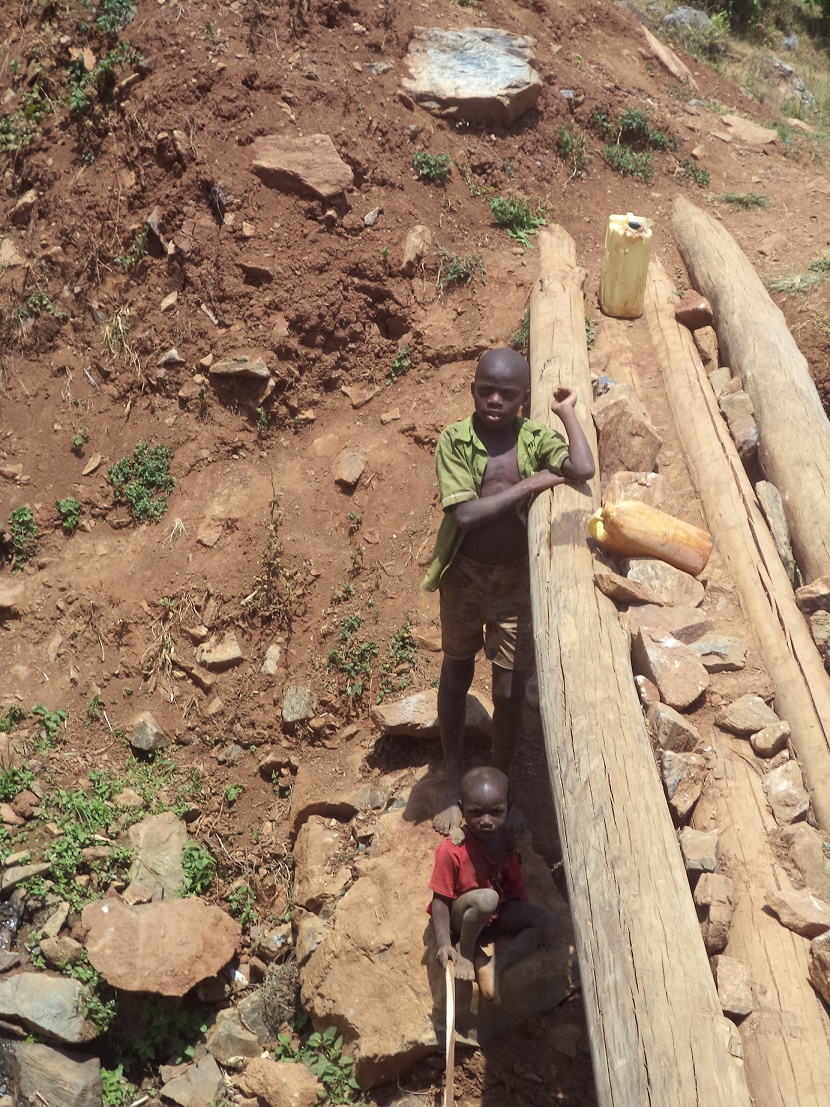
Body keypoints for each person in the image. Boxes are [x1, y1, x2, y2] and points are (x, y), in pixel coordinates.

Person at [421, 348, 594, 835]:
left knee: (510, 691)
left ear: (524, 399)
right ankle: (452, 775)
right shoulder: (455, 439)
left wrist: (566, 411)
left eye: (508, 394)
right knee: (457, 670)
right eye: (486, 391)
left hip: (516, 581)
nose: (495, 400)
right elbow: (466, 515)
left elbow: (582, 467)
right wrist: (532, 483)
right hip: (465, 575)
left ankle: (498, 785)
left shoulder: (533, 437)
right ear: (472, 389)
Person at [428, 766, 553, 1004]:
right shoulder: (452, 850)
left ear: (509, 807)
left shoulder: (505, 838)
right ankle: (466, 951)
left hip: (495, 911)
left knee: (546, 921)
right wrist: (444, 944)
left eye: (496, 812)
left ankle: (495, 964)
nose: (486, 821)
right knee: (487, 899)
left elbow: (513, 876)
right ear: (462, 808)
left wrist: (522, 910)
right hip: (463, 915)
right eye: (476, 813)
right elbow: (440, 900)